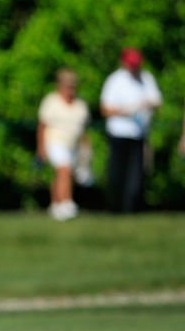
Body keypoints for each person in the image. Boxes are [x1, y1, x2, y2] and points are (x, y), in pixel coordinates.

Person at [100, 47, 162, 213]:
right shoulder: (115, 80)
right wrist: (125, 111)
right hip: (118, 133)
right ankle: (114, 207)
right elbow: (105, 109)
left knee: (136, 174)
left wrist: (146, 104)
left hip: (138, 133)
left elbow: (157, 101)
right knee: (117, 172)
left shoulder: (146, 78)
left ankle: (132, 207)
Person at [37, 68, 90, 221]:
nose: (70, 88)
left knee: (63, 174)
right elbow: (42, 126)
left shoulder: (80, 105)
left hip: (72, 145)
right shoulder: (51, 101)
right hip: (54, 141)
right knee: (64, 170)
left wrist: (85, 150)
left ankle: (55, 204)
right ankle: (66, 203)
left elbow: (83, 131)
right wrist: (41, 148)